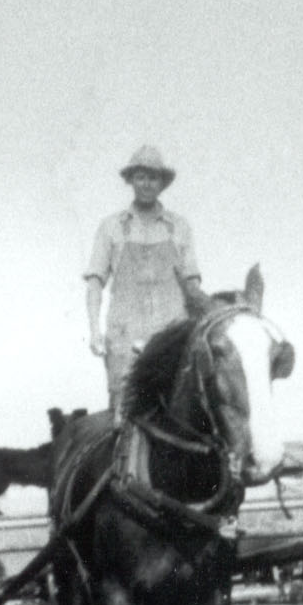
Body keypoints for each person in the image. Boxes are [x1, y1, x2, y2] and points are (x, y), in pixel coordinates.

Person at [82, 145, 202, 418]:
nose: (147, 184)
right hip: (125, 337)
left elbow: (192, 284)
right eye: (141, 176)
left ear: (162, 183)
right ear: (131, 180)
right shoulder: (111, 227)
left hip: (173, 337)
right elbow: (95, 282)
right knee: (123, 416)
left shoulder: (179, 227)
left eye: (153, 177)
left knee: (184, 413)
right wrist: (94, 330)